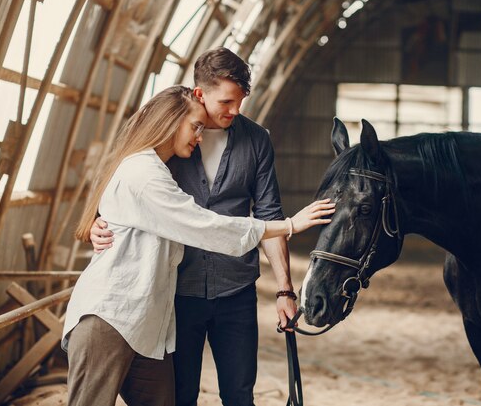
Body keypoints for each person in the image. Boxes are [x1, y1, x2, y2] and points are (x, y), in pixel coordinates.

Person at [63, 85, 335, 406]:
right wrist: (289, 225)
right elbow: (206, 226)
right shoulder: (145, 174)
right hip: (110, 317)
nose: (200, 136)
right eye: (195, 127)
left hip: (147, 326)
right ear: (169, 122)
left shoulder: (158, 168)